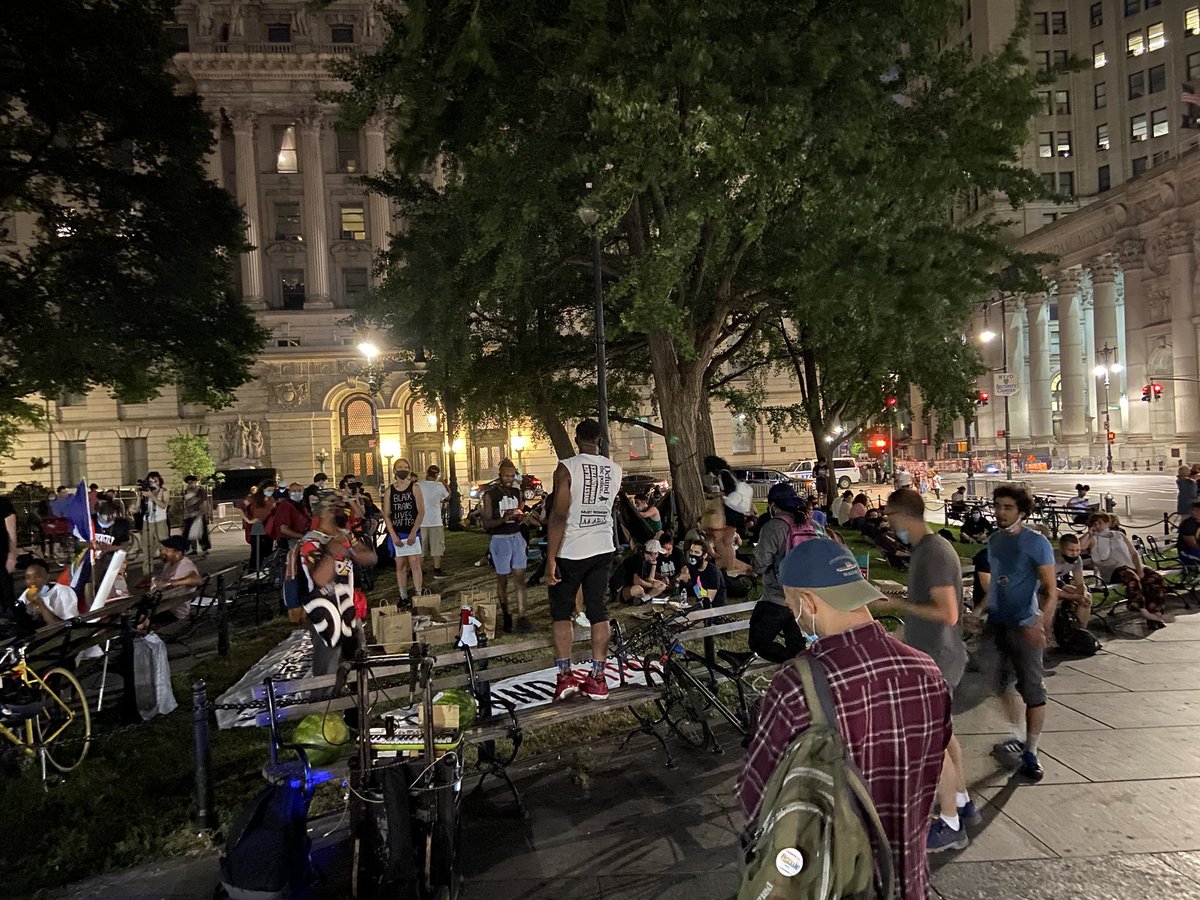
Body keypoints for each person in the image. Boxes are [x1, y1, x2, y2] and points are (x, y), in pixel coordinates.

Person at [738, 539, 951, 900]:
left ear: (807, 602)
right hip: (909, 878)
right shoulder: (927, 670)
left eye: (793, 606)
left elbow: (756, 796)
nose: (795, 616)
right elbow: (936, 762)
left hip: (838, 882)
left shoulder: (796, 685)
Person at [878, 489, 975, 852]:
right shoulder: (926, 550)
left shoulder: (933, 552)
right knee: (945, 738)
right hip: (934, 656)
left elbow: (948, 614)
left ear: (903, 515)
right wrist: (897, 634)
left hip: (937, 663)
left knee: (929, 746)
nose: (888, 525)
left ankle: (949, 822)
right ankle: (963, 802)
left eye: (890, 518)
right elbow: (926, 612)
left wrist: (895, 603)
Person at [983, 484, 1057, 781]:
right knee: (998, 684)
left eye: (1008, 507)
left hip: (1025, 625)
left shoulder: (1037, 543)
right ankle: (1017, 734)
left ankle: (1032, 751)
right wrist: (977, 613)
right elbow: (997, 585)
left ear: (1022, 512)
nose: (1000, 512)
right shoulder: (994, 541)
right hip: (997, 623)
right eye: (998, 506)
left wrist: (1040, 624)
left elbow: (1051, 591)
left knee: (1033, 691)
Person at [546, 419, 623, 702]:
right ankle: (599, 677)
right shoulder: (614, 470)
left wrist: (550, 558)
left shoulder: (567, 466)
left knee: (561, 612)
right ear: (600, 440)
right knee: (598, 610)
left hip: (572, 548)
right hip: (603, 544)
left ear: (577, 439)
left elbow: (558, 515)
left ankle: (565, 675)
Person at [289, 491, 378, 675]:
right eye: (334, 507)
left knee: (357, 657)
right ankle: (326, 700)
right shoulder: (311, 542)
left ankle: (356, 697)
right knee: (328, 663)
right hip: (325, 614)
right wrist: (332, 553)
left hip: (348, 609)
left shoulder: (344, 535)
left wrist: (350, 552)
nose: (341, 511)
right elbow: (320, 579)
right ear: (322, 512)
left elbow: (370, 557)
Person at [749, 483, 813, 662]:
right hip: (804, 596)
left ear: (774, 505)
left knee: (758, 642)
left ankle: (795, 667)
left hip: (777, 597)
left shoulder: (774, 527)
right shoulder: (809, 524)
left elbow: (759, 565)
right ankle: (802, 676)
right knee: (796, 645)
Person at [1079, 512, 1167, 629]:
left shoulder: (1119, 535)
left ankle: (1156, 613)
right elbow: (1079, 546)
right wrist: (1088, 533)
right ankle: (1140, 608)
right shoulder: (1093, 539)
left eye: (1100, 523)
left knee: (1154, 577)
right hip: (1113, 570)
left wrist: (1140, 568)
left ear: (1107, 523)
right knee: (1132, 578)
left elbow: (1134, 554)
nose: (1098, 526)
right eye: (1095, 524)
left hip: (1131, 566)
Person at [482, 459, 530, 633]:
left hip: (516, 536)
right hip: (500, 538)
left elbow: (520, 511)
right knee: (502, 578)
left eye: (512, 475)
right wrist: (503, 519)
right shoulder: (490, 495)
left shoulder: (516, 492)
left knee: (520, 577)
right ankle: (507, 613)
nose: (509, 479)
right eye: (506, 475)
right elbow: (487, 523)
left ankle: (522, 616)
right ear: (500, 475)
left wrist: (520, 517)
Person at [701, 455, 752, 575]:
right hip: (735, 512)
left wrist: (715, 495)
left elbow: (729, 491)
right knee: (725, 541)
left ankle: (729, 566)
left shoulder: (723, 475)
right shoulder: (728, 473)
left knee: (725, 541)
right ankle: (729, 566)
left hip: (732, 512)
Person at [384, 459, 425, 605]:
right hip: (397, 533)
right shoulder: (390, 491)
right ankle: (403, 596)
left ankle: (418, 594)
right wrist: (393, 535)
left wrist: (414, 532)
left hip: (412, 531)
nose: (403, 469)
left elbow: (421, 512)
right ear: (394, 471)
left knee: (415, 563)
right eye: (400, 467)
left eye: (406, 467)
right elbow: (386, 515)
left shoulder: (415, 488)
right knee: (400, 565)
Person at [148, 535, 203, 627]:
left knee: (140, 619)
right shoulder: (169, 563)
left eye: (167, 551)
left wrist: (172, 583)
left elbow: (197, 580)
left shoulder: (185, 565)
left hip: (175, 612)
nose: (163, 552)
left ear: (178, 553)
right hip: (166, 606)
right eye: (164, 549)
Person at [20, 559, 79, 626]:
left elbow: (70, 624)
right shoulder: (27, 593)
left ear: (47, 576)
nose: (32, 581)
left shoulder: (63, 592)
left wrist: (41, 604)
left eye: (36, 577)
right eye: (28, 577)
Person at [611, 539, 670, 604]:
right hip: (621, 589)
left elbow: (650, 579)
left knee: (662, 585)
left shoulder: (648, 560)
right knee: (638, 589)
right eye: (657, 553)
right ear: (653, 553)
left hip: (635, 586)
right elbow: (636, 581)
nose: (658, 555)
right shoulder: (638, 559)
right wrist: (652, 585)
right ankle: (643, 599)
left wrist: (654, 565)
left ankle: (643, 599)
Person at [417, 465, 450, 578]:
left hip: (421, 521)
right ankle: (437, 569)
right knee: (437, 547)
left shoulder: (419, 485)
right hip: (435, 520)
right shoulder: (439, 486)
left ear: (427, 473)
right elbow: (448, 496)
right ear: (437, 475)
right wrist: (443, 482)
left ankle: (419, 570)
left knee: (421, 547)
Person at [1055, 533, 1093, 630]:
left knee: (1087, 597)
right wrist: (1075, 597)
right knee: (1052, 599)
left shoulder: (1077, 560)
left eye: (1078, 550)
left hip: (1056, 583)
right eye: (1071, 550)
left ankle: (1080, 631)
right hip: (1037, 585)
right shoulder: (1050, 558)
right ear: (1061, 548)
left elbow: (1080, 583)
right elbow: (1048, 586)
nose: (1075, 554)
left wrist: (1083, 594)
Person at [678, 536, 727, 607]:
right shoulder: (693, 566)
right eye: (691, 551)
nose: (693, 554)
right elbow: (686, 567)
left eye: (696, 552)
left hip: (714, 609)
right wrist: (685, 573)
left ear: (704, 555)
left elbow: (709, 600)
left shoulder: (713, 573)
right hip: (699, 603)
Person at [241, 480, 277, 572]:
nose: (270, 492)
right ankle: (254, 573)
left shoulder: (271, 499)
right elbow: (240, 508)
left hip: (269, 529)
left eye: (272, 490)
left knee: (267, 552)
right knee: (257, 554)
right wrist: (248, 520)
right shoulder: (253, 498)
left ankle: (264, 574)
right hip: (257, 528)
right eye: (269, 490)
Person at [140, 472, 169, 573]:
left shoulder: (164, 492)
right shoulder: (144, 493)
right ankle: (147, 573)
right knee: (147, 548)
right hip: (147, 522)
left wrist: (152, 497)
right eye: (151, 481)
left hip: (160, 521)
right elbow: (138, 507)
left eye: (155, 481)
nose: (153, 483)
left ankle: (168, 570)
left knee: (163, 546)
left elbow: (163, 505)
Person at [181, 475, 212, 557]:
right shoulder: (186, 491)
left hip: (199, 514)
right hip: (190, 514)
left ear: (195, 482)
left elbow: (204, 503)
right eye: (188, 483)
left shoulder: (200, 491)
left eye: (191, 482)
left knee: (201, 533)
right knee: (189, 533)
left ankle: (204, 549)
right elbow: (186, 503)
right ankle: (192, 549)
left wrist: (203, 512)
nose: (190, 484)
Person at [0, 491, 16, 617]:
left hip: (2, 553)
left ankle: (9, 616)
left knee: (5, 587)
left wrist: (12, 554)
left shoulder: (3, 503)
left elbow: (11, 532)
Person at [1178, 499, 1200, 568]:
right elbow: (1193, 545)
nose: (1193, 512)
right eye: (1193, 510)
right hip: (1187, 552)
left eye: (1196, 510)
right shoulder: (1188, 524)